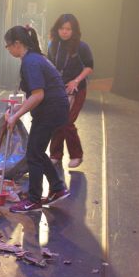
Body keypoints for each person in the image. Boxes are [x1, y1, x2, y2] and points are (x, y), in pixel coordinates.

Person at [3, 25, 70, 213]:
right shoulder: (34, 58)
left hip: (50, 110)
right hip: (53, 109)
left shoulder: (30, 62)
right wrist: (15, 110)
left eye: (8, 46)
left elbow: (38, 95)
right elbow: (34, 95)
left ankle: (33, 200)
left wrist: (16, 116)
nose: (8, 50)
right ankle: (57, 188)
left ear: (17, 44)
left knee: (33, 153)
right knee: (37, 151)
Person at [47, 14, 95, 168]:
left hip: (76, 90)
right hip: (58, 90)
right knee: (57, 121)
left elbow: (89, 67)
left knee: (67, 121)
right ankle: (55, 155)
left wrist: (76, 81)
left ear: (74, 30)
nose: (64, 32)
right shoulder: (52, 45)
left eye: (68, 29)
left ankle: (76, 155)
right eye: (62, 28)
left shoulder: (82, 46)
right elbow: (50, 66)